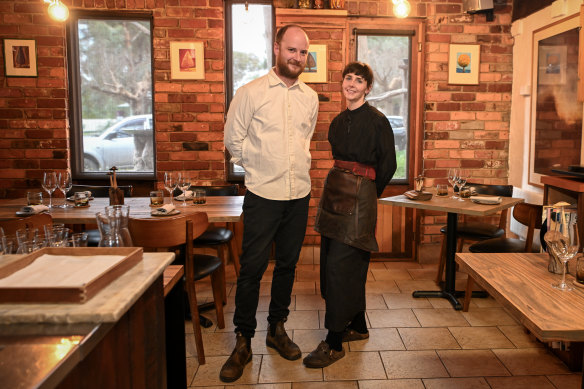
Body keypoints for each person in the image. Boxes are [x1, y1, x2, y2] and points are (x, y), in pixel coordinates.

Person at [221, 24, 319, 382]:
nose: (296, 57)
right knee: (251, 270)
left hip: (299, 196)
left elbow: (305, 140)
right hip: (262, 195)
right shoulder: (250, 93)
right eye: (291, 50)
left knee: (288, 267)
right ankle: (243, 341)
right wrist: (261, 166)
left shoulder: (311, 98)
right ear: (277, 48)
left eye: (302, 52)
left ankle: (276, 329)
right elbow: (234, 141)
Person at [303, 62, 397, 368]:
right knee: (334, 262)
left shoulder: (378, 121)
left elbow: (388, 166)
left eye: (359, 80)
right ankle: (357, 326)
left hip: (361, 198)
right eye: (348, 79)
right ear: (342, 84)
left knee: (342, 268)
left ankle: (334, 343)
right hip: (334, 194)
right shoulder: (337, 121)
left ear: (368, 88)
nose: (352, 84)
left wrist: (368, 192)